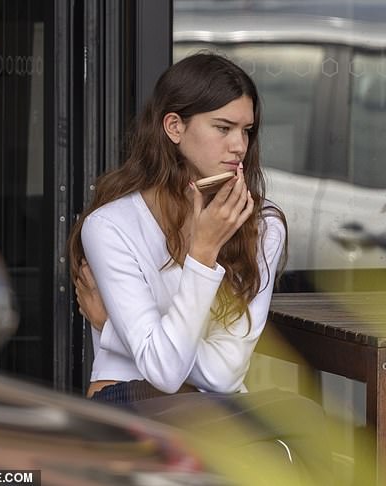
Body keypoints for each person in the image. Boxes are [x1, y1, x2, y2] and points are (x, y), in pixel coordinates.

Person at [68, 53, 334, 484]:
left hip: (217, 407)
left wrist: (114, 329)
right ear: (175, 128)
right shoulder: (111, 226)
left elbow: (223, 375)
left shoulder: (262, 227)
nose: (239, 146)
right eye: (223, 128)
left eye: (246, 131)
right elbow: (164, 373)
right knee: (297, 425)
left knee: (297, 421)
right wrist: (203, 253)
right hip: (130, 402)